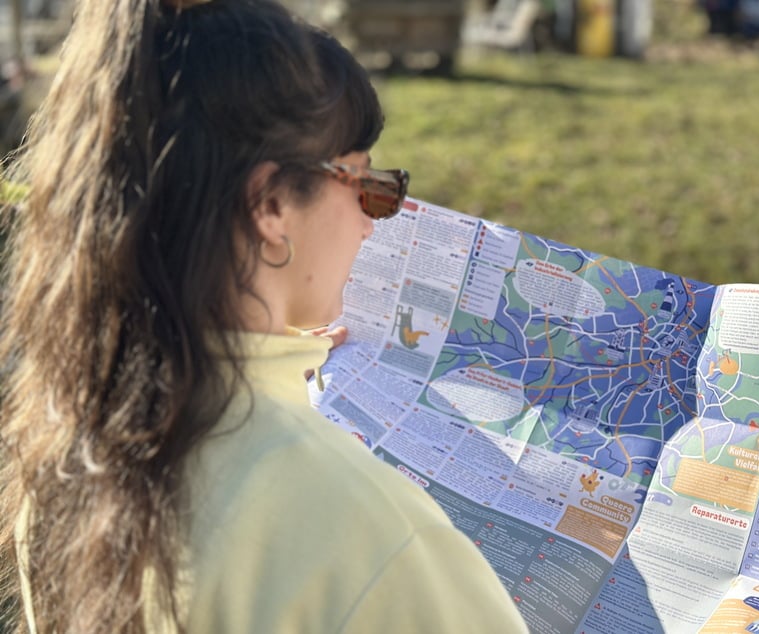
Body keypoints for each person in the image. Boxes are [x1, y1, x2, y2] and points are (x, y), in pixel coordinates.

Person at [0, 0, 529, 632]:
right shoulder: (378, 538)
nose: (371, 220)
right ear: (271, 203)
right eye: (362, 181)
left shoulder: (64, 450)